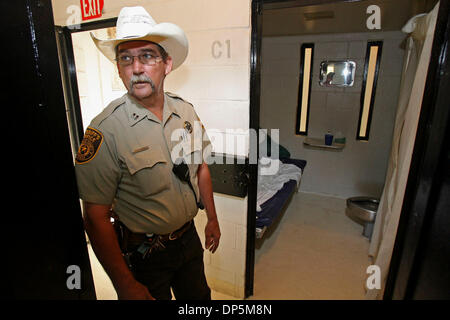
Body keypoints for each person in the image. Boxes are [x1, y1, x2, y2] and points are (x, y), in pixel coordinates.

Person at [74, 6, 220, 300]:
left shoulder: (186, 112)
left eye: (147, 56)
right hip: (145, 254)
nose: (136, 68)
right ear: (118, 68)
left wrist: (213, 219)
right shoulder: (105, 130)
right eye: (126, 58)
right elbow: (95, 216)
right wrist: (124, 284)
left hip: (188, 240)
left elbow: (201, 167)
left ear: (166, 64)